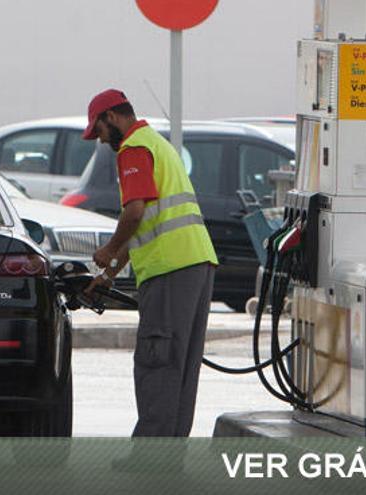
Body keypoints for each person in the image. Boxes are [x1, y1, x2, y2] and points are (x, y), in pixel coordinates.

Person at [83, 89, 218, 437]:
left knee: (156, 360)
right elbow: (147, 223)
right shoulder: (156, 143)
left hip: (169, 268)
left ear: (111, 117)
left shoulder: (133, 150)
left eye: (97, 130)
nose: (99, 140)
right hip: (196, 263)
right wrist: (111, 274)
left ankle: (151, 452)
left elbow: (135, 211)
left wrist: (108, 250)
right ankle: (169, 452)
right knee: (182, 366)